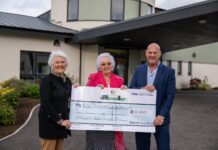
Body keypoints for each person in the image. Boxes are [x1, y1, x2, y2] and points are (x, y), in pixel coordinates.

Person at [129, 43, 176, 150]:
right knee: (142, 147)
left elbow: (170, 95)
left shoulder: (169, 72)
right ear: (146, 53)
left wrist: (162, 115)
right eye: (150, 52)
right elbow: (132, 89)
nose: (152, 55)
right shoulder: (138, 69)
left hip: (160, 119)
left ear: (160, 54)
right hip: (141, 118)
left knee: (164, 147)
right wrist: (142, 89)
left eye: (155, 52)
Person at [86, 52, 126, 150]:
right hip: (97, 120)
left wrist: (126, 92)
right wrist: (95, 90)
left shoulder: (119, 80)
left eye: (108, 63)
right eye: (103, 64)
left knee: (111, 146)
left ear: (112, 66)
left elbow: (123, 100)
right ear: (99, 67)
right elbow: (86, 95)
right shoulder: (93, 77)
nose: (106, 66)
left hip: (113, 121)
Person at [38, 50, 72, 150]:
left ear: (66, 64)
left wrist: (76, 89)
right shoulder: (47, 80)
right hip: (49, 123)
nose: (60, 64)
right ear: (52, 64)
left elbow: (68, 98)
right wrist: (59, 120)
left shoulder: (67, 80)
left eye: (62, 62)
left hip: (62, 123)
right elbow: (46, 103)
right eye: (57, 62)